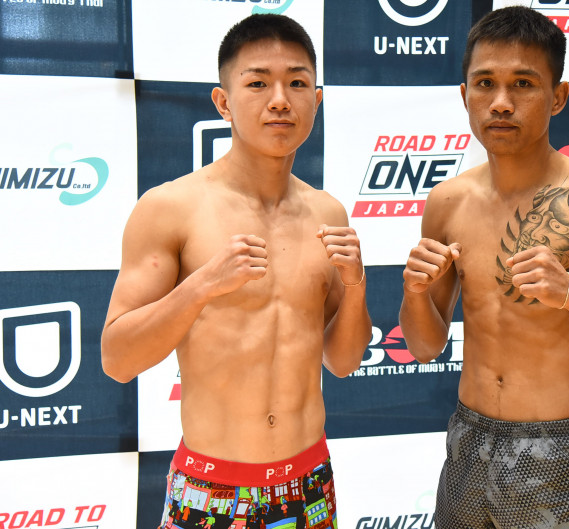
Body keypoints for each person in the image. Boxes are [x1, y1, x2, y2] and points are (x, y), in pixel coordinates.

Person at [399, 6, 569, 529]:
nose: (501, 102)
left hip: (560, 455)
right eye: (485, 83)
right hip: (467, 447)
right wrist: (413, 293)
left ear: (558, 96)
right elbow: (425, 346)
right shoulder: (446, 202)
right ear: (464, 95)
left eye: (523, 84)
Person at [101, 14, 371, 529]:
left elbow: (343, 361)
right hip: (212, 488)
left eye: (297, 83)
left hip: (308, 482)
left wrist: (355, 285)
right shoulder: (169, 208)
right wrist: (202, 285)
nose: (280, 100)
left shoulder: (328, 213)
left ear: (317, 100)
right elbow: (117, 359)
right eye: (257, 83)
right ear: (223, 102)